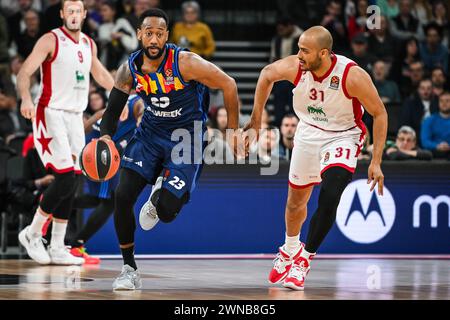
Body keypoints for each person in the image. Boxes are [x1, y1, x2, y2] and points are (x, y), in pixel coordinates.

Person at [99, 8, 239, 290]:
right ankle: (129, 268)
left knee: (166, 211)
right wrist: (104, 137)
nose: (153, 39)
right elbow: (113, 109)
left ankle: (160, 195)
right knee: (122, 195)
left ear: (166, 36)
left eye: (159, 34)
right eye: (148, 33)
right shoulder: (130, 69)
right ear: (139, 34)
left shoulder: (185, 62)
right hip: (150, 134)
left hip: (187, 137)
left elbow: (229, 83)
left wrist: (233, 131)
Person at [244, 26, 387, 290]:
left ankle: (304, 259)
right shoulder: (296, 67)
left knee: (331, 194)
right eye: (298, 48)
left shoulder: (351, 75)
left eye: (304, 51)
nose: (298, 55)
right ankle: (289, 249)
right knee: (295, 202)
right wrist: (255, 121)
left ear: (323, 53)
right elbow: (266, 75)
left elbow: (379, 113)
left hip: (343, 135)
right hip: (308, 131)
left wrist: (376, 161)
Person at [17, 0, 114, 266]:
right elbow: (25, 72)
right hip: (50, 112)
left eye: (77, 11)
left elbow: (103, 77)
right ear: (62, 14)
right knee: (63, 177)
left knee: (73, 180)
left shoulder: (88, 44)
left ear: (84, 15)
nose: (73, 15)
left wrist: (123, 96)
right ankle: (33, 233)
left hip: (74, 117)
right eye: (68, 11)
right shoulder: (51, 40)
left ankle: (58, 245)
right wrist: (25, 98)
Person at [69, 94, 144, 263]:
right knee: (109, 202)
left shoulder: (127, 99)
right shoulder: (137, 102)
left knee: (98, 201)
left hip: (95, 150)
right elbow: (141, 108)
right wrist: (142, 117)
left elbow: (95, 118)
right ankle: (75, 246)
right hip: (100, 154)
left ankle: (54, 202)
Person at [421, 91, 450, 159]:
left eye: (447, 101)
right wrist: (437, 146)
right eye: (441, 101)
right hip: (434, 156)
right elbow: (425, 141)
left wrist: (448, 146)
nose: (444, 103)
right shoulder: (429, 120)